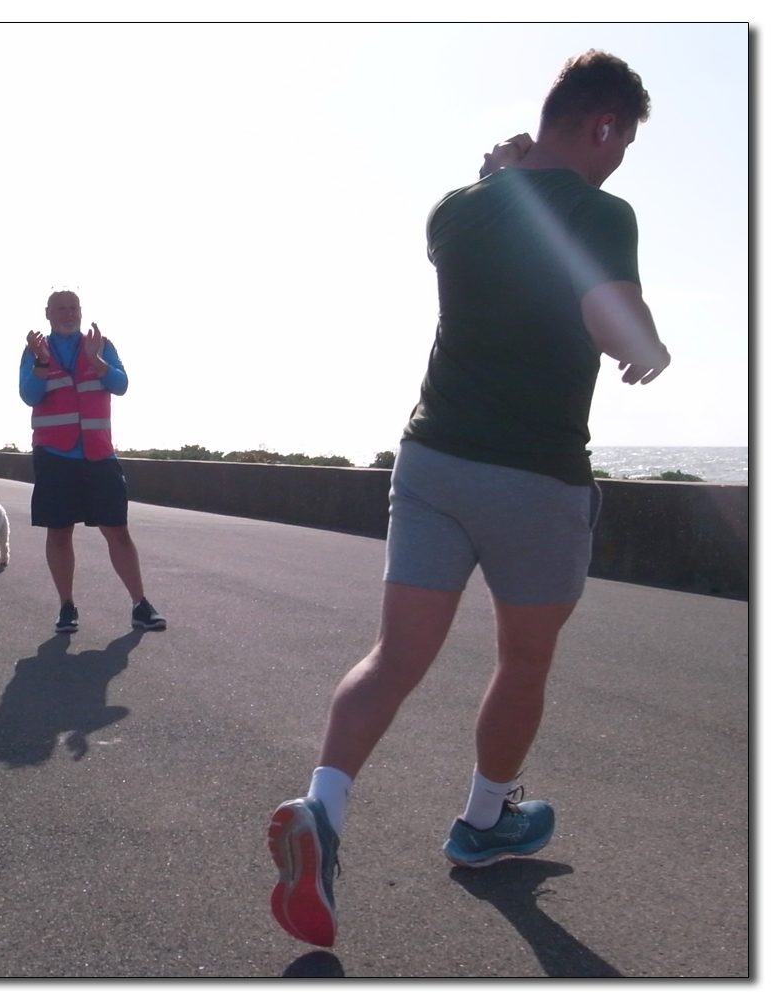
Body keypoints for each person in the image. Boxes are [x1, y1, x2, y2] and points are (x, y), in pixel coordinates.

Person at [267, 50, 671, 949]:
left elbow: (502, 212)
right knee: (522, 660)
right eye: (623, 142)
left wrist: (503, 173)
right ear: (604, 125)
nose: (618, 163)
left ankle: (323, 808)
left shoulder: (453, 211)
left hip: (433, 461)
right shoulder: (603, 211)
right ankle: (486, 819)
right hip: (535, 475)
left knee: (395, 657)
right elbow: (608, 309)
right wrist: (648, 345)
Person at [19, 289, 166, 634]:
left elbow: (120, 384)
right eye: (60, 308)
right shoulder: (35, 350)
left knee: (118, 531)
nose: (67, 313)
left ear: (81, 312)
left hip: (98, 453)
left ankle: (140, 604)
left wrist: (96, 359)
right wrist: (40, 362)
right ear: (48, 313)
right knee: (59, 532)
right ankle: (66, 606)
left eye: (73, 308)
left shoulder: (102, 344)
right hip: (55, 455)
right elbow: (29, 395)